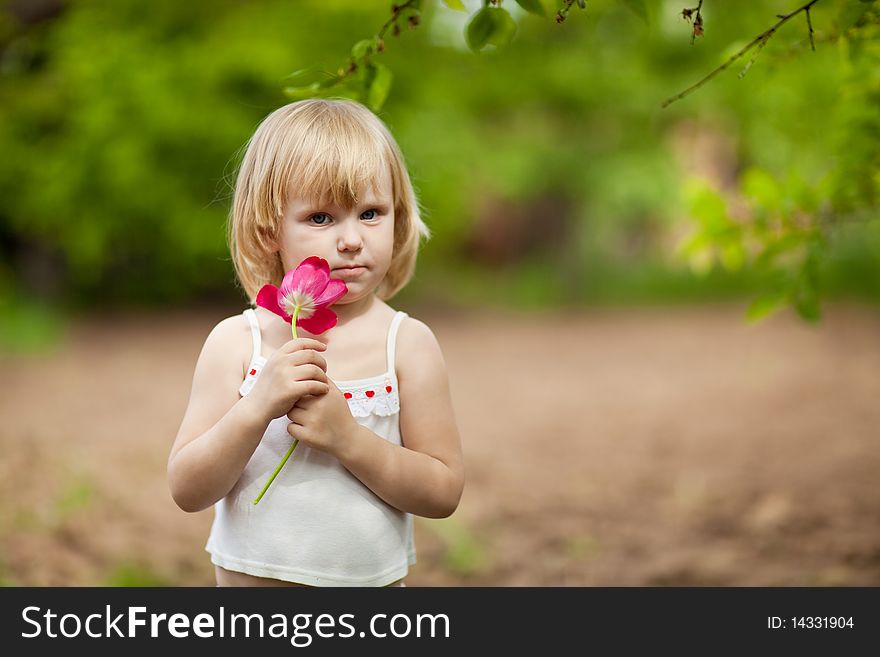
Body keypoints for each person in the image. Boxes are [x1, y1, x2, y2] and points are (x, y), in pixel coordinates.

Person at [167, 98, 464, 587]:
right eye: (322, 218)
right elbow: (187, 488)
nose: (351, 239)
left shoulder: (407, 345)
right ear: (269, 230)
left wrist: (351, 441)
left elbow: (443, 491)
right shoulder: (238, 342)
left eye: (370, 213)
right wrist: (257, 407)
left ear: (399, 217)